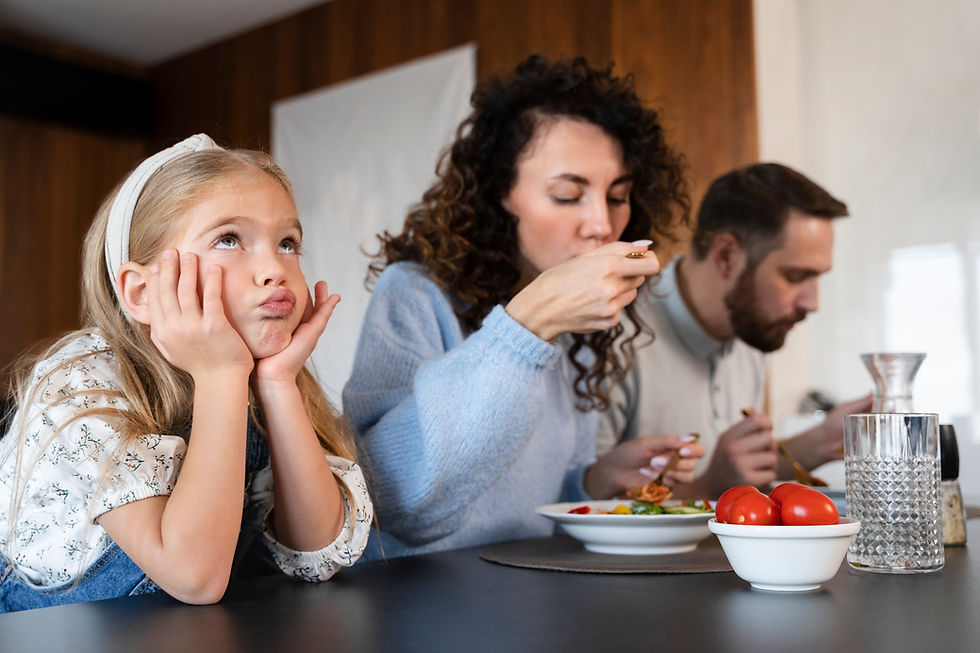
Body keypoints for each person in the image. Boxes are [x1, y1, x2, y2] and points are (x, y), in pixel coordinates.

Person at [342, 54, 705, 560]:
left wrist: (596, 479)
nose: (601, 223)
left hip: (528, 594)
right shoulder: (415, 295)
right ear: (500, 194)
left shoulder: (577, 325)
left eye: (618, 196)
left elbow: (536, 507)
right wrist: (525, 328)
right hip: (415, 602)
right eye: (566, 195)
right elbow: (391, 500)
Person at [0, 135, 372, 612]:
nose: (273, 269)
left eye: (287, 243)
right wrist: (221, 378)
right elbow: (195, 578)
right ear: (141, 293)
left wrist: (278, 385)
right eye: (229, 239)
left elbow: (316, 555)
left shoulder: (261, 378)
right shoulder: (80, 383)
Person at [597, 162, 872, 498]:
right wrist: (709, 486)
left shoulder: (750, 330)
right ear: (726, 256)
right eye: (795, 276)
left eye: (817, 277)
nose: (812, 302)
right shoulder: (612, 333)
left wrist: (823, 440)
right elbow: (580, 508)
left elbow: (737, 475)